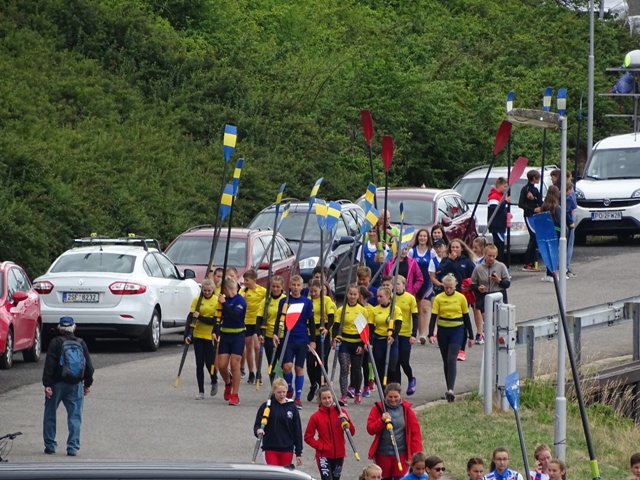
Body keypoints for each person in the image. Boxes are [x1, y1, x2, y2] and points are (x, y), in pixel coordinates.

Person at [42, 316, 94, 456]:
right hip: (75, 385)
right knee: (75, 416)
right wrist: (87, 384)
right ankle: (72, 447)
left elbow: (49, 365)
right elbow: (89, 367)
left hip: (56, 384)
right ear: (74, 327)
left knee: (50, 414)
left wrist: (47, 384)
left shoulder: (55, 342)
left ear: (59, 328)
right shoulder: (81, 343)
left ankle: (50, 445)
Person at [428, 273, 473, 402]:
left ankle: (451, 390)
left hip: (457, 330)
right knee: (445, 360)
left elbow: (466, 317)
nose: (448, 290)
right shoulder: (439, 298)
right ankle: (449, 389)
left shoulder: (461, 298)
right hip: (443, 330)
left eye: (450, 288)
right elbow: (433, 317)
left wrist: (471, 335)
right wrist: (430, 334)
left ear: (455, 286)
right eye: (446, 287)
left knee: (452, 358)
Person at [366, 383, 423, 480]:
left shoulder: (407, 410)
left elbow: (415, 434)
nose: (393, 400)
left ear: (400, 395)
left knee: (400, 478)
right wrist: (381, 421)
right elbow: (370, 429)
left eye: (396, 397)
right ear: (385, 396)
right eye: (390, 397)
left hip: (402, 453)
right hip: (382, 453)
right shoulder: (378, 408)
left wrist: (416, 456)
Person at [275, 275, 315, 408]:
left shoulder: (307, 302)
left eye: (298, 285)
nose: (296, 287)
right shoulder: (284, 301)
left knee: (299, 368)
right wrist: (275, 334)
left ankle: (297, 397)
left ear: (302, 286)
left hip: (302, 339)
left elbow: (311, 322)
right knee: (287, 367)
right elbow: (279, 319)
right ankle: (289, 389)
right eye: (293, 285)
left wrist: (313, 340)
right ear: (290, 286)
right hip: (287, 339)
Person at [435, 238, 476, 361]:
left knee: (462, 320)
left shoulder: (467, 261)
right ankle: (449, 343)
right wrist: (449, 261)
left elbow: (474, 277)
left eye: (457, 247)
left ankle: (462, 349)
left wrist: (469, 286)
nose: (454, 249)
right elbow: (439, 273)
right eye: (452, 247)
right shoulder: (445, 260)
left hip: (461, 295)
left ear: (462, 248)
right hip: (447, 293)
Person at [304, 385, 355, 480]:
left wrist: (347, 420)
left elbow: (352, 432)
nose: (327, 401)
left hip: (339, 454)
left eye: (329, 397)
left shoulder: (341, 412)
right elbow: (308, 437)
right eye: (324, 398)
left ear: (333, 397)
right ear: (320, 400)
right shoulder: (315, 417)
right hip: (323, 455)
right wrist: (320, 446)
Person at [254, 378, 303, 467]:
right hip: (270, 448)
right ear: (274, 391)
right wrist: (258, 430)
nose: (282, 395)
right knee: (273, 473)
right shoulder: (266, 407)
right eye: (279, 392)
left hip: (287, 449)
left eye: (284, 392)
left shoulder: (292, 408)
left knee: (284, 474)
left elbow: (297, 431)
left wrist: (298, 453)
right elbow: (257, 424)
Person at [334, 284, 369, 405]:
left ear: (358, 295)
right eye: (350, 294)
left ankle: (357, 392)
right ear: (347, 294)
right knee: (344, 368)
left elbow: (365, 330)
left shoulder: (363, 310)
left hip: (357, 343)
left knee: (356, 369)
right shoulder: (341, 310)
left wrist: (362, 344)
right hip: (344, 342)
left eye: (355, 294)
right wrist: (335, 338)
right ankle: (344, 395)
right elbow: (336, 326)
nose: (352, 296)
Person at [214, 277, 247, 406]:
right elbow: (217, 317)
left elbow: (234, 315)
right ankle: (228, 383)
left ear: (227, 288)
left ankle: (235, 394)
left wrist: (224, 304)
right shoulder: (223, 300)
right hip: (225, 334)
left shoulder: (240, 300)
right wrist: (214, 331)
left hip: (238, 335)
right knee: (222, 366)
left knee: (234, 364)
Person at [185, 279, 218, 399]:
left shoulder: (216, 301)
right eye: (204, 290)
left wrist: (200, 317)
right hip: (198, 335)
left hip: (210, 336)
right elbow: (190, 318)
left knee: (209, 363)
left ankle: (214, 380)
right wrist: (187, 335)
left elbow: (214, 321)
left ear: (213, 289)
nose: (207, 293)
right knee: (199, 364)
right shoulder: (197, 301)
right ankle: (201, 391)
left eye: (209, 290)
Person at [307, 279, 336, 401]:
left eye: (316, 291)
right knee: (310, 362)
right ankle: (313, 384)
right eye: (311, 291)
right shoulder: (308, 301)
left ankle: (322, 386)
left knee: (322, 361)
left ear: (320, 289)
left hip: (323, 333)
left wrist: (327, 329)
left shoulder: (326, 300)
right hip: (310, 333)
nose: (313, 294)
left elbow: (331, 317)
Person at [471, 243, 511, 333]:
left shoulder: (501, 266)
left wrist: (499, 280)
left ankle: (496, 336)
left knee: (497, 321)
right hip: (484, 296)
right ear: (485, 254)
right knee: (488, 321)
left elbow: (507, 284)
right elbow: (473, 284)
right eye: (489, 256)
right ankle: (487, 335)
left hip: (498, 295)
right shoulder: (478, 268)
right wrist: (479, 288)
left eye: (493, 256)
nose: (491, 258)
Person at [390, 276, 418, 395]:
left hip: (405, 333)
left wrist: (413, 334)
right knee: (395, 362)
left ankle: (411, 379)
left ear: (404, 285)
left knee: (404, 361)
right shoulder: (391, 297)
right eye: (394, 284)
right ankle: (398, 388)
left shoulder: (410, 298)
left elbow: (415, 317)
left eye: (398, 284)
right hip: (394, 334)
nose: (396, 286)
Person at [257, 275, 287, 384]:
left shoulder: (286, 300)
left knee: (284, 364)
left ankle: (284, 386)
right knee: (272, 363)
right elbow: (259, 318)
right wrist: (259, 334)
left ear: (282, 287)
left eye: (278, 287)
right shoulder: (265, 301)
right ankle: (274, 387)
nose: (275, 289)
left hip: (282, 336)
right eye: (273, 286)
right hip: (269, 336)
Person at [370, 286, 403, 386]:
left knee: (391, 367)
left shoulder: (395, 309)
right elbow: (371, 327)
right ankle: (382, 388)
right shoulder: (374, 310)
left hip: (391, 340)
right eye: (377, 296)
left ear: (388, 297)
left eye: (381, 296)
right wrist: (370, 342)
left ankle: (392, 387)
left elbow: (398, 325)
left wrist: (393, 336)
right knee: (379, 366)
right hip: (379, 340)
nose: (378, 299)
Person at [408, 229, 434, 345]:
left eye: (424, 236)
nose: (422, 238)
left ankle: (423, 333)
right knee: (417, 309)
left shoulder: (431, 252)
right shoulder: (412, 251)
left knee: (424, 308)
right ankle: (419, 332)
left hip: (427, 284)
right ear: (417, 237)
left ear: (427, 238)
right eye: (420, 236)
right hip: (415, 283)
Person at [240, 268, 266, 385]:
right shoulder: (243, 291)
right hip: (246, 321)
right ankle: (251, 372)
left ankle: (258, 372)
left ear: (254, 280)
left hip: (257, 322)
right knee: (248, 347)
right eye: (244, 280)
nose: (245, 282)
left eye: (247, 280)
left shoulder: (262, 291)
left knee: (257, 346)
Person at [519, 169, 543, 272]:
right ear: (534, 178)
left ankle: (532, 262)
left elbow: (540, 202)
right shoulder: (525, 189)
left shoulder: (536, 190)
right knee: (534, 238)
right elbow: (521, 204)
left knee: (534, 239)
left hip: (536, 216)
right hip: (529, 216)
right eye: (538, 178)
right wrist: (532, 209)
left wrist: (534, 199)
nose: (539, 180)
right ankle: (528, 263)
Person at [540, 185, 565, 283]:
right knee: (555, 253)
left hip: (546, 232)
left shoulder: (544, 206)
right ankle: (554, 274)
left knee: (548, 252)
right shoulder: (557, 208)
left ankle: (548, 273)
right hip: (556, 232)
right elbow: (560, 222)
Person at [487, 177, 511, 263]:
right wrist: (505, 202)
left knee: (500, 246)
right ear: (499, 185)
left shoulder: (501, 196)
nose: (506, 189)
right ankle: (498, 262)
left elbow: (502, 210)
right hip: (496, 225)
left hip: (501, 225)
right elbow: (494, 210)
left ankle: (499, 262)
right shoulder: (494, 196)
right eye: (504, 186)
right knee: (499, 246)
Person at [470, 237, 488, 344]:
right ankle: (479, 332)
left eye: (476, 247)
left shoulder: (486, 258)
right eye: (473, 247)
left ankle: (483, 331)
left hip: (484, 287)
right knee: (475, 308)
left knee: (482, 310)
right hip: (473, 286)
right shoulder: (471, 257)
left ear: (482, 247)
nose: (473, 249)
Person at [565, 180, 577, 278]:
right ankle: (566, 267)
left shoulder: (559, 197)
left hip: (561, 224)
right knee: (568, 245)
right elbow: (573, 206)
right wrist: (571, 223)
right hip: (568, 223)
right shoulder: (568, 199)